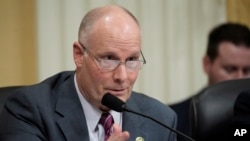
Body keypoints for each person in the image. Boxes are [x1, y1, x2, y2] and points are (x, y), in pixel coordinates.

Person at [0, 5, 177, 141]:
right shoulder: (29, 110)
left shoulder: (160, 120)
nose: (122, 77)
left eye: (131, 60)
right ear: (79, 55)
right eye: (109, 58)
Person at [170, 22, 250, 140]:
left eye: (247, 70)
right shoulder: (172, 119)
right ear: (207, 64)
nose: (240, 78)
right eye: (230, 69)